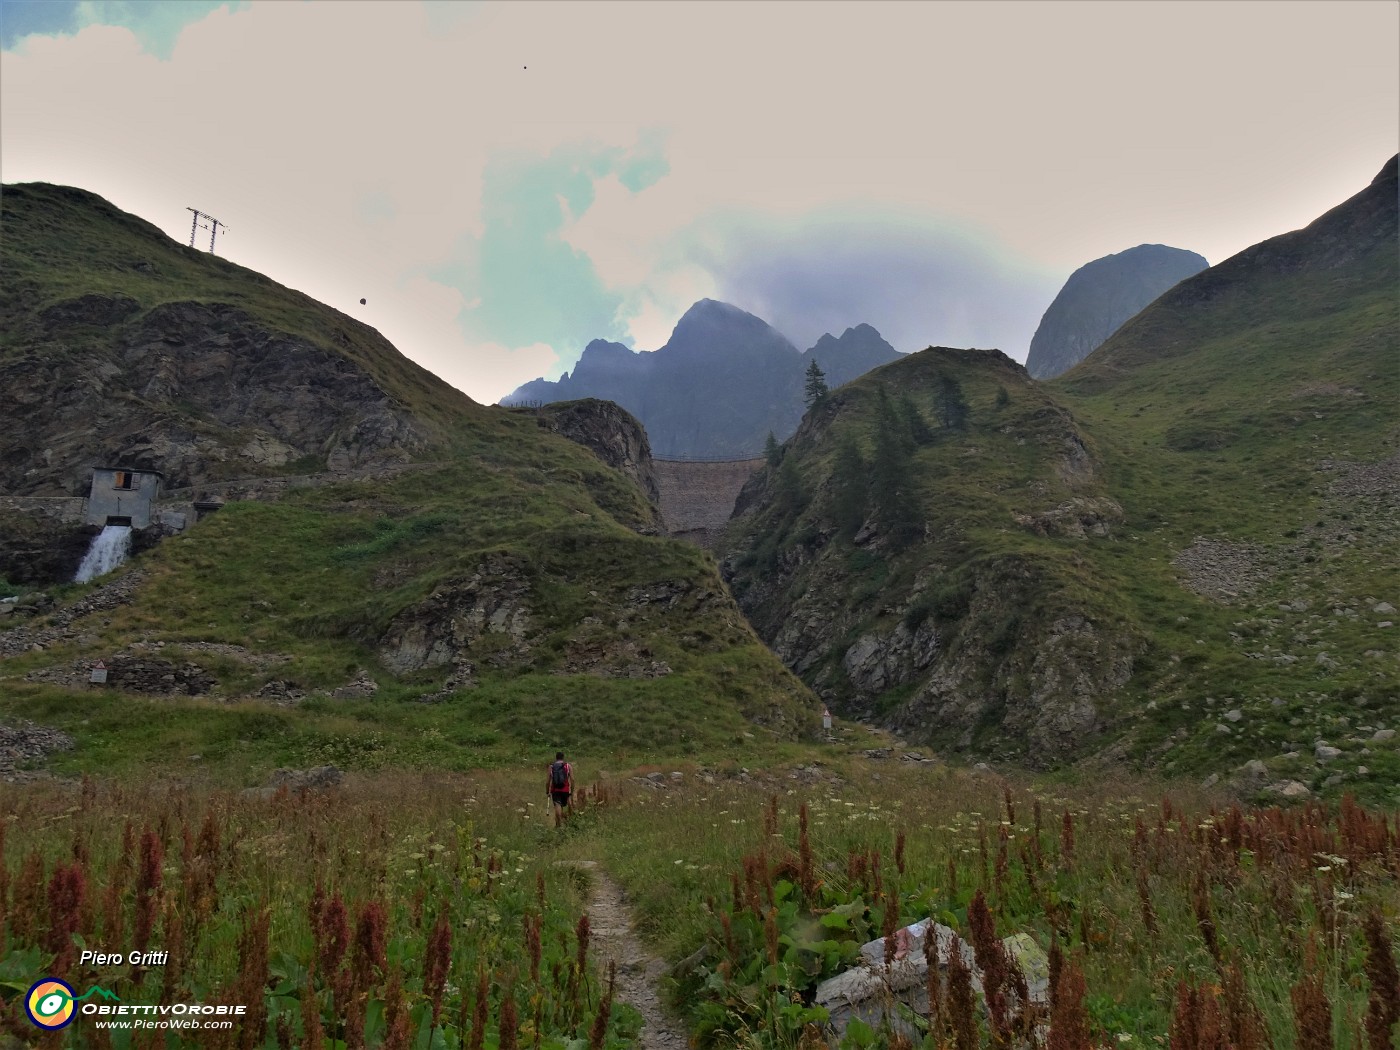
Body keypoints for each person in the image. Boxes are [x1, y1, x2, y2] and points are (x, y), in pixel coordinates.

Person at [546, 750, 573, 824]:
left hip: (555, 790)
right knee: (568, 803)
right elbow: (572, 779)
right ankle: (571, 820)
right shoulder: (568, 766)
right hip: (565, 789)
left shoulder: (551, 767)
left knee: (558, 804)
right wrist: (572, 790)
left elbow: (548, 781)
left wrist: (547, 791)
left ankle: (559, 823)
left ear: (556, 758)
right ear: (563, 757)